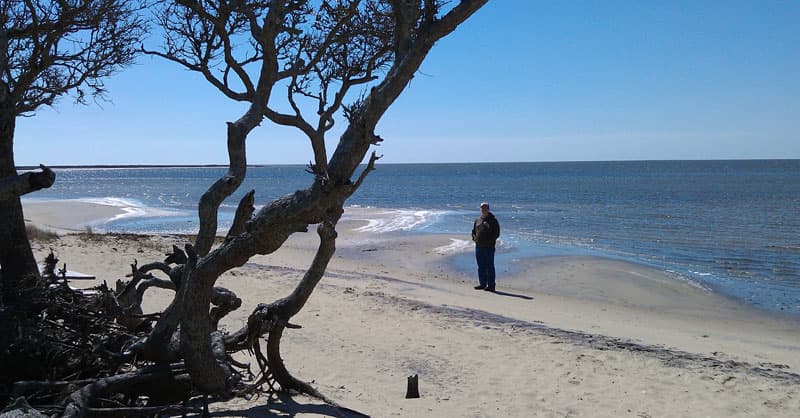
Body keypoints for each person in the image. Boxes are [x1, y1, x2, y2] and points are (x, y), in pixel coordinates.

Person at [471, 202, 500, 292]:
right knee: (481, 266)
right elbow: (473, 231)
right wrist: (474, 238)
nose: (483, 210)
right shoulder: (477, 220)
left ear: (488, 209)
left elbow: (496, 233)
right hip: (479, 246)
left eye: (485, 208)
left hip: (489, 247)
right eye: (482, 208)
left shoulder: (493, 220)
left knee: (489, 266)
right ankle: (482, 283)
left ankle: (491, 285)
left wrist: (489, 241)